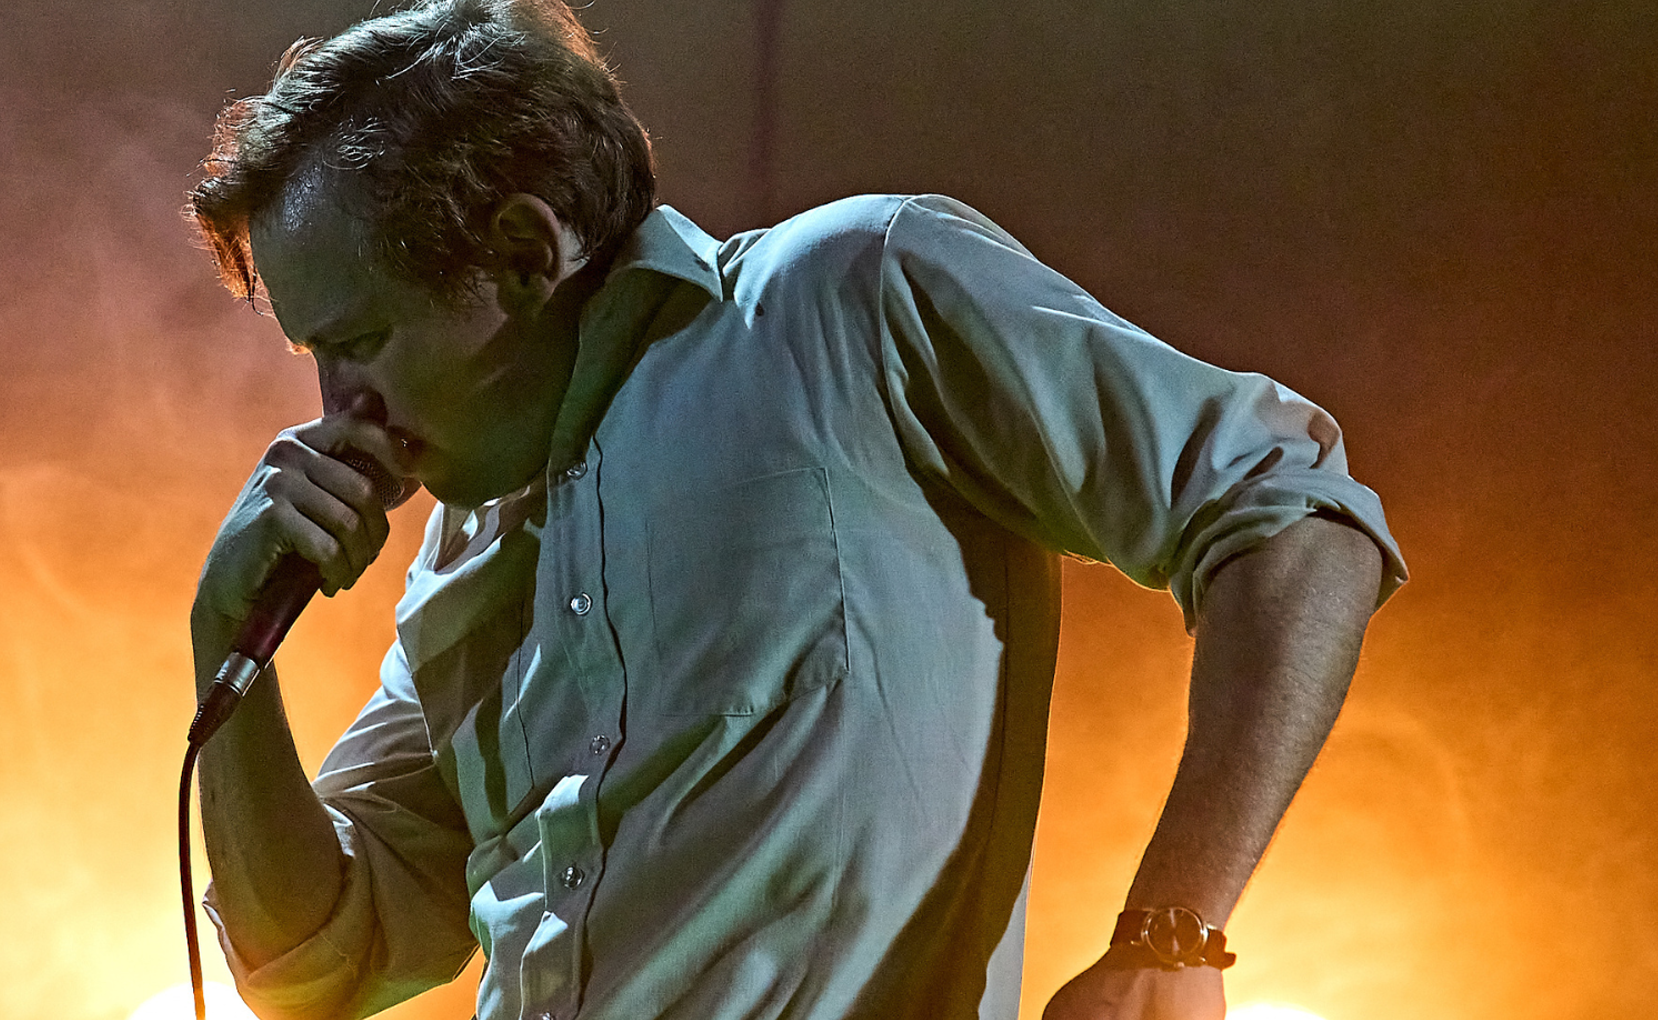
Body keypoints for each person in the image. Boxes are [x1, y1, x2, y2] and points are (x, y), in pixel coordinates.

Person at [180, 2, 1405, 1018]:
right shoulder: (461, 555)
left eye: (356, 342)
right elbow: (313, 963)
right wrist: (220, 633)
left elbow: (1289, 516)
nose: (336, 411)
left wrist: (1171, 940)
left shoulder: (849, 296)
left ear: (519, 251)